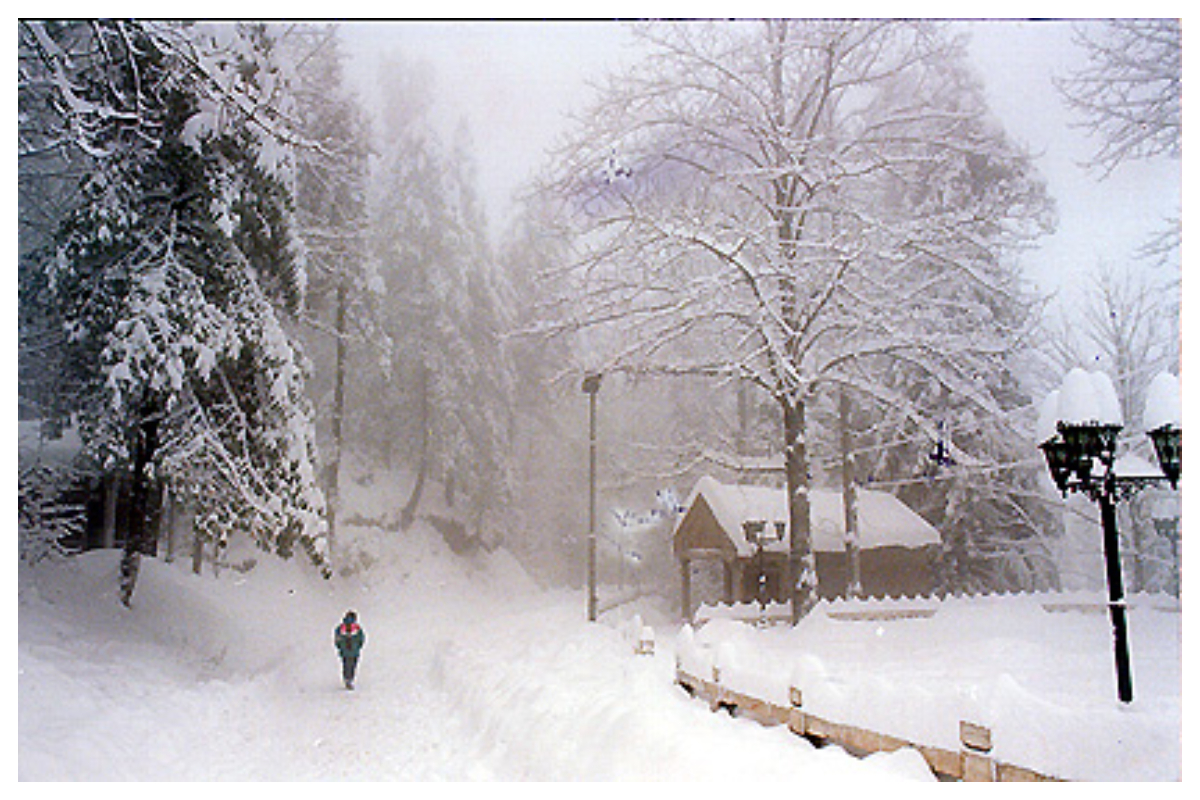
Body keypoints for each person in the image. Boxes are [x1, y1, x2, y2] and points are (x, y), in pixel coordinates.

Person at [334, 610, 366, 690]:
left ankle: (346, 679)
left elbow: (337, 640)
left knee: (346, 665)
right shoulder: (357, 628)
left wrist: (340, 648)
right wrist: (358, 647)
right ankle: (350, 679)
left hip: (345, 651)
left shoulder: (340, 628)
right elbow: (361, 639)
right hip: (354, 651)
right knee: (352, 665)